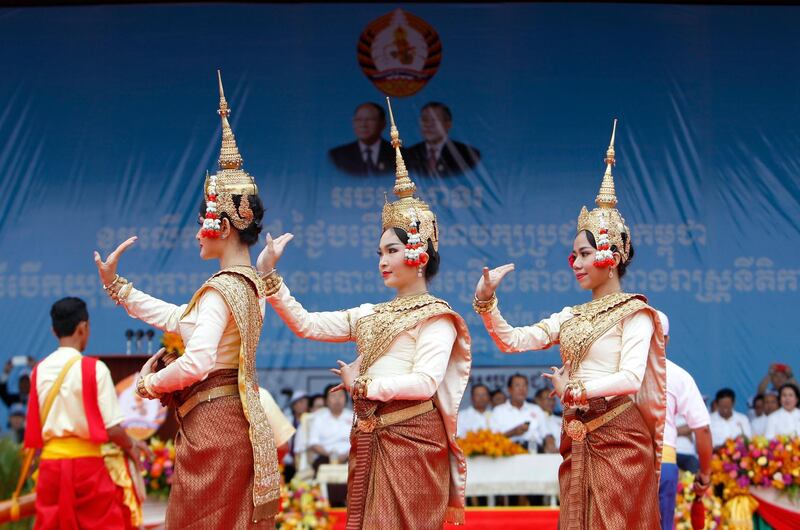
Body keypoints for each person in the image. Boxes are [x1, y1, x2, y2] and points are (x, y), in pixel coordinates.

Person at [257, 98, 471, 528]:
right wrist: (270, 277)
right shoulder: (370, 313)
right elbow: (307, 324)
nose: (382, 260)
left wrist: (365, 384)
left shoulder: (437, 316)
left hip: (414, 442)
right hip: (372, 437)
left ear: (419, 255)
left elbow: (425, 381)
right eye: (379, 252)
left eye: (391, 250)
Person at [92, 73, 280, 528]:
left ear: (227, 224)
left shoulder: (223, 289)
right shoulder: (244, 285)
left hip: (215, 424)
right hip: (236, 421)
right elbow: (180, 317)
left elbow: (196, 362)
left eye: (203, 220)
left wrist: (148, 384)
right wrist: (120, 288)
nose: (197, 231)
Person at [473, 120, 666, 529]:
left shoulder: (636, 313)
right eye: (572, 256)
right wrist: (487, 302)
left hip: (621, 438)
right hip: (579, 435)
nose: (575, 263)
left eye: (582, 254)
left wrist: (575, 389)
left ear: (609, 255)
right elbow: (513, 341)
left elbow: (630, 377)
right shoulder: (571, 316)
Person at [23, 297, 146, 529]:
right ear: (83, 328)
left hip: (50, 470)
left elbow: (36, 430)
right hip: (86, 469)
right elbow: (112, 429)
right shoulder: (95, 369)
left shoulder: (38, 372)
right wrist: (131, 445)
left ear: (53, 331)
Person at [656, 311, 712, 530]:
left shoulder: (617, 374)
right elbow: (703, 430)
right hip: (663, 462)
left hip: (623, 464)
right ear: (666, 340)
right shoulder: (679, 376)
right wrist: (705, 474)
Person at [406, 102, 481, 177]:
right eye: (424, 119)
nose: (428, 124)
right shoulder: (409, 155)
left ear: (448, 124)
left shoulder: (468, 155)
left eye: (435, 120)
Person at [328, 102, 395, 176]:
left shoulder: (399, 154)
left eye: (370, 119)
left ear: (383, 123)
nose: (363, 125)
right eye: (359, 120)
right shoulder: (337, 156)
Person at [489, 374, 542, 450]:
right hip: (507, 453)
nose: (521, 389)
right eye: (517, 385)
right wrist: (513, 432)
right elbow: (492, 438)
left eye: (524, 386)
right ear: (509, 390)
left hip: (534, 452)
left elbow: (546, 433)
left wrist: (550, 443)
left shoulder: (536, 409)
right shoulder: (498, 411)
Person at [307, 384, 354, 471]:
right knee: (319, 465)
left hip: (350, 456)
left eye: (341, 395)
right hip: (326, 456)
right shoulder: (318, 418)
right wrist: (330, 455)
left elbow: (358, 441)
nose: (337, 399)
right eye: (333, 396)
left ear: (346, 399)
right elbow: (313, 443)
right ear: (326, 401)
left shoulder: (354, 417)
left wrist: (346, 455)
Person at [533, 388, 562, 454]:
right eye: (548, 399)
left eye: (553, 399)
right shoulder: (532, 418)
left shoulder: (562, 421)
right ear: (537, 400)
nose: (551, 402)